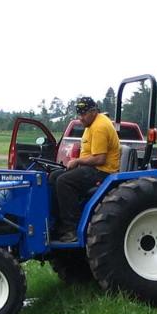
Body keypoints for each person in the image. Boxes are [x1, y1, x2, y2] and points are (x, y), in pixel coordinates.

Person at [50, 96, 120, 242]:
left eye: (83, 114)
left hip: (103, 171)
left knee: (64, 181)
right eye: (79, 114)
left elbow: (100, 159)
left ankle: (71, 230)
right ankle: (55, 224)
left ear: (93, 111)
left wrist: (77, 162)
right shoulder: (91, 124)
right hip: (92, 168)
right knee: (53, 176)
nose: (80, 118)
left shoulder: (100, 127)